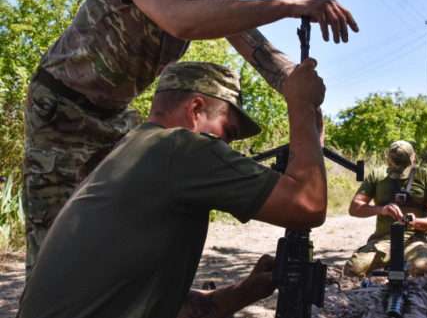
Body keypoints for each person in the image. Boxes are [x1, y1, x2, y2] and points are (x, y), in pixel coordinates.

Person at [23, 0, 359, 276]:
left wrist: (302, 95)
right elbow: (180, 19)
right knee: (55, 248)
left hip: (116, 116)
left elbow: (261, 52)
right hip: (61, 111)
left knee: (122, 231)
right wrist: (292, 5)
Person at [17, 59, 326, 318]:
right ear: (195, 109)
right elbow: (307, 205)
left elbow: (177, 309)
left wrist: (247, 290)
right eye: (227, 132)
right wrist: (301, 105)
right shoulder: (179, 148)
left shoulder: (131, 151)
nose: (228, 147)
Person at [343, 141, 427, 278]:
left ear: (413, 158)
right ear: (388, 160)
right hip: (382, 241)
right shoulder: (377, 176)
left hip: (414, 240)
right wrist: (382, 210)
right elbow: (355, 208)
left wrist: (414, 222)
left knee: (422, 268)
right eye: (395, 166)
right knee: (353, 269)